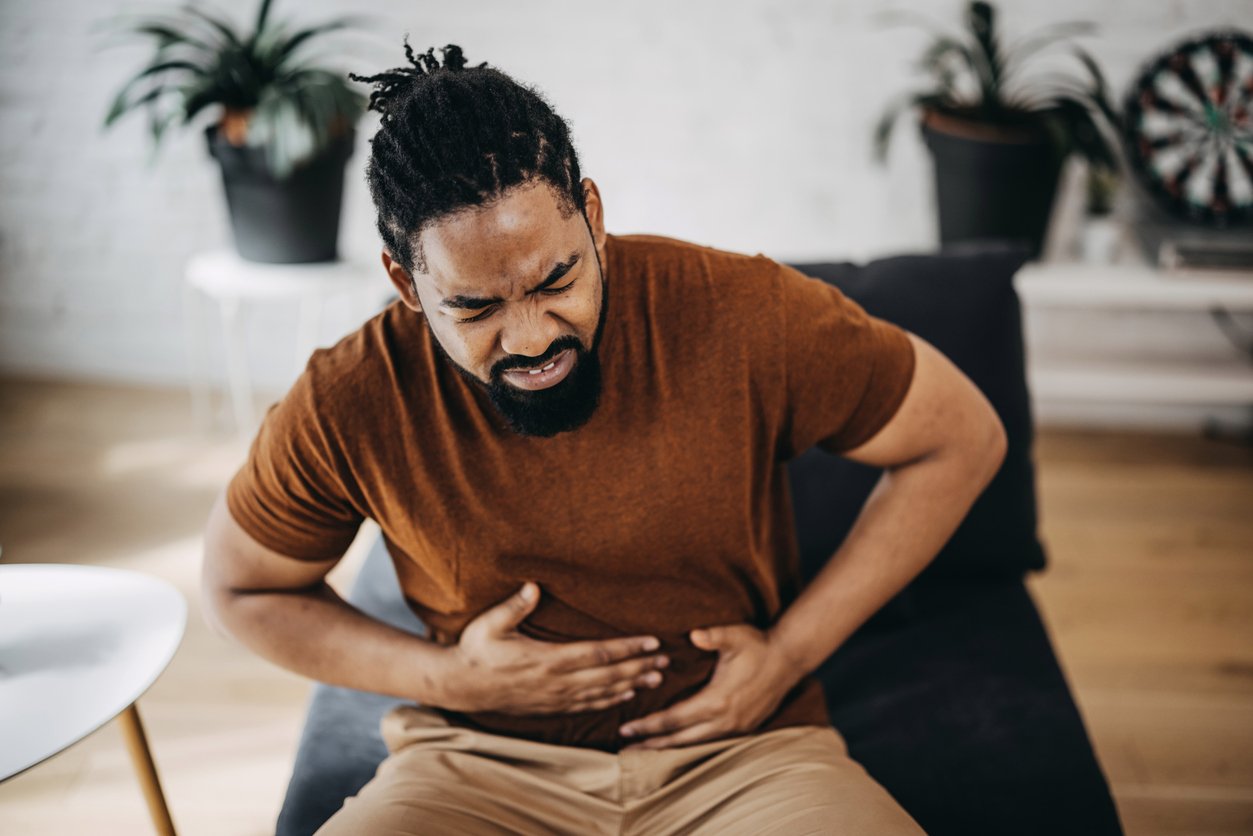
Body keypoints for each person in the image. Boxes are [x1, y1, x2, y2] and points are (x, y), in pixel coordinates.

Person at [202, 43, 1007, 835]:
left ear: (591, 214)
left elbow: (961, 437)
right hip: (475, 768)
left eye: (556, 281)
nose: (528, 338)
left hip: (744, 758)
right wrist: (451, 678)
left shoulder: (741, 312)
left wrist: (789, 656)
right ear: (405, 282)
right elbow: (243, 589)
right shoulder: (351, 398)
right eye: (476, 308)